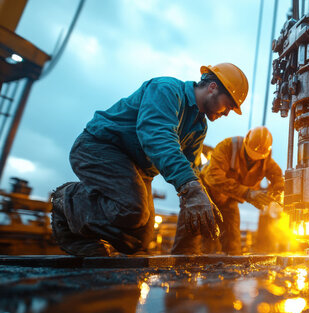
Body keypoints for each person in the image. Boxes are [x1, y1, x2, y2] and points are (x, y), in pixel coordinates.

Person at [50, 63, 249, 257]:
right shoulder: (167, 90)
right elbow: (157, 135)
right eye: (228, 106)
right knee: (131, 209)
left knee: (138, 240)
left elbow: (190, 166)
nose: (226, 113)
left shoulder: (199, 126)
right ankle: (66, 198)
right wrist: (191, 187)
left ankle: (80, 236)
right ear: (213, 88)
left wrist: (198, 197)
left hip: (136, 168)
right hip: (100, 147)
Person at [172, 126, 284, 255]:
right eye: (250, 156)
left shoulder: (266, 160)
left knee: (232, 245)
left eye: (257, 158)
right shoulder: (227, 146)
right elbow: (214, 177)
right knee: (190, 236)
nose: (253, 159)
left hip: (228, 199)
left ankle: (229, 271)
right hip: (204, 193)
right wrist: (247, 193)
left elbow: (277, 176)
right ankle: (181, 266)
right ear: (245, 142)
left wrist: (278, 191)